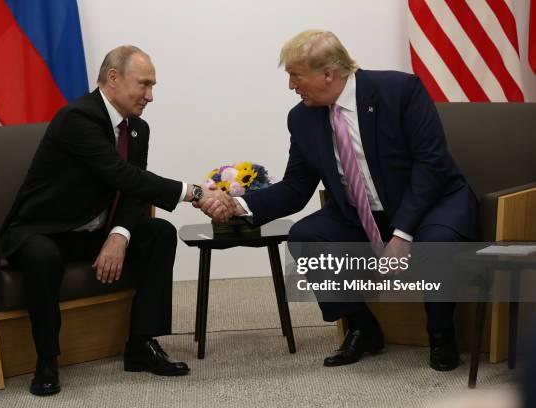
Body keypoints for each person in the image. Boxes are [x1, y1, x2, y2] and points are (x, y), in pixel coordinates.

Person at [199, 30, 478, 371]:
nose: (290, 85)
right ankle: (361, 327)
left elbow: (431, 165)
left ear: (328, 74)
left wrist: (403, 233)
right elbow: (297, 187)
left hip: (433, 202)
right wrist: (238, 205)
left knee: (436, 242)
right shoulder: (302, 117)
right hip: (365, 214)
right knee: (305, 236)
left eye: (295, 75)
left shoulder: (399, 91)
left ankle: (441, 334)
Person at [1, 45, 232, 396]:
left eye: (152, 86)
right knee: (41, 257)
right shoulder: (77, 118)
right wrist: (195, 193)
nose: (150, 96)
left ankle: (141, 344)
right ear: (113, 78)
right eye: (144, 84)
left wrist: (120, 235)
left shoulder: (137, 129)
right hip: (43, 229)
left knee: (159, 233)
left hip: (94, 230)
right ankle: (46, 360)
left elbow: (133, 192)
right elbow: (122, 175)